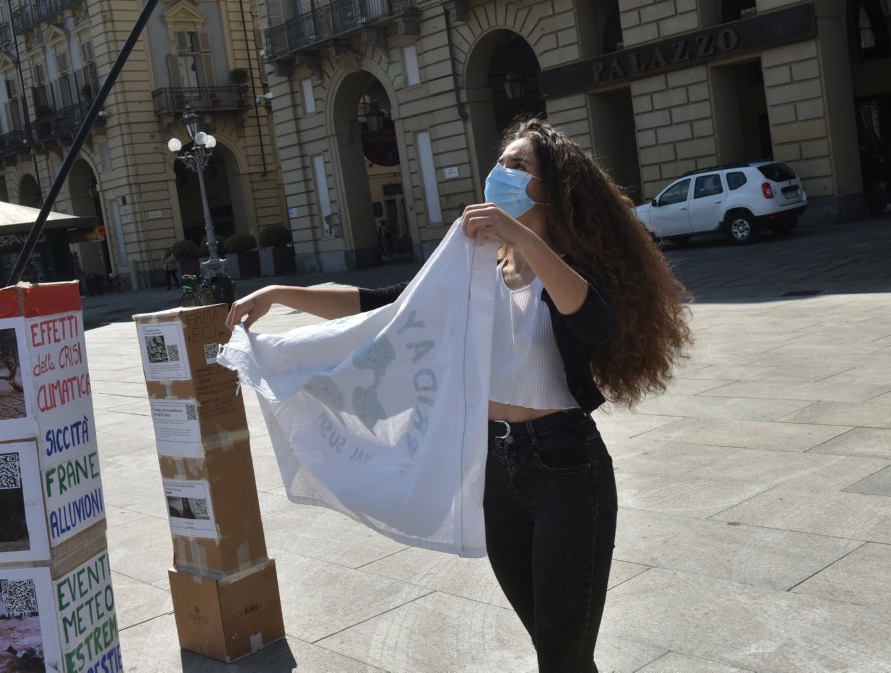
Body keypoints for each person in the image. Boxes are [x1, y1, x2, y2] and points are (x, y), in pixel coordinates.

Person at [225, 118, 693, 672]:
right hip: (492, 467)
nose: (501, 172)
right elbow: (386, 305)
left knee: (563, 658)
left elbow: (594, 322)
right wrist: (282, 293)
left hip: (566, 467)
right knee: (555, 650)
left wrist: (522, 236)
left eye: (518, 165)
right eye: (501, 161)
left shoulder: (569, 269)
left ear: (551, 187)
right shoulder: (477, 270)